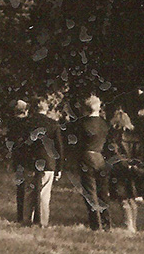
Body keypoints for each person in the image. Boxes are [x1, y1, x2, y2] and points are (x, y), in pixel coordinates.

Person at [68, 94, 112, 231]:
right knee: (102, 192)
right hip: (100, 157)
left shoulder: (82, 124)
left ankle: (95, 224)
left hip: (87, 157)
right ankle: (106, 223)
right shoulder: (105, 124)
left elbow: (76, 144)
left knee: (90, 192)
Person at [22, 98, 64, 227]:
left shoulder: (27, 123)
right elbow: (59, 148)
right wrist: (59, 168)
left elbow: (23, 145)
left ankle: (27, 219)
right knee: (44, 193)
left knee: (29, 191)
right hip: (48, 162)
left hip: (30, 161)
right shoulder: (53, 124)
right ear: (47, 109)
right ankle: (42, 221)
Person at [4, 99, 31, 224]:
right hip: (29, 158)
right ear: (25, 111)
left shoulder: (12, 124)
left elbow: (9, 143)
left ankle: (20, 215)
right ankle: (29, 214)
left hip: (18, 158)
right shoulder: (29, 123)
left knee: (20, 187)